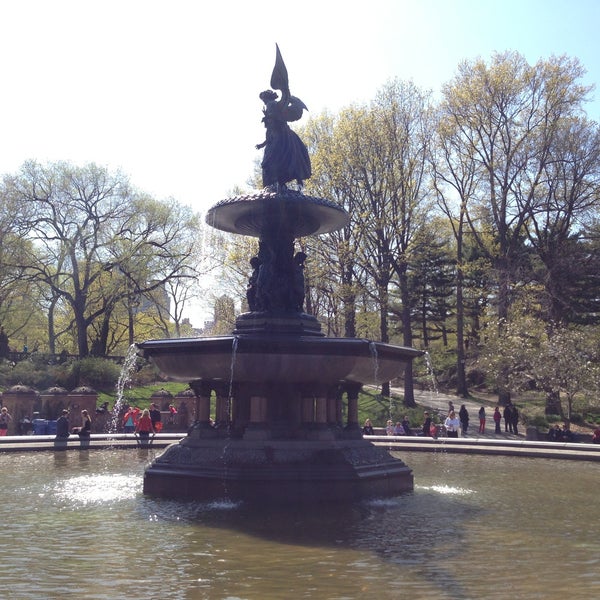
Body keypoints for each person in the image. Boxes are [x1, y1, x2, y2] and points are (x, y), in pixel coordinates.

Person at [255, 46, 311, 190]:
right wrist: (262, 144)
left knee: (271, 161)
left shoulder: (271, 104)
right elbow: (270, 131)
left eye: (263, 98)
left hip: (282, 136)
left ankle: (278, 184)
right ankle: (280, 184)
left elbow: (275, 120)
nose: (263, 101)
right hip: (277, 137)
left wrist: (269, 117)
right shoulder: (270, 106)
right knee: (271, 161)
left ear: (267, 97)